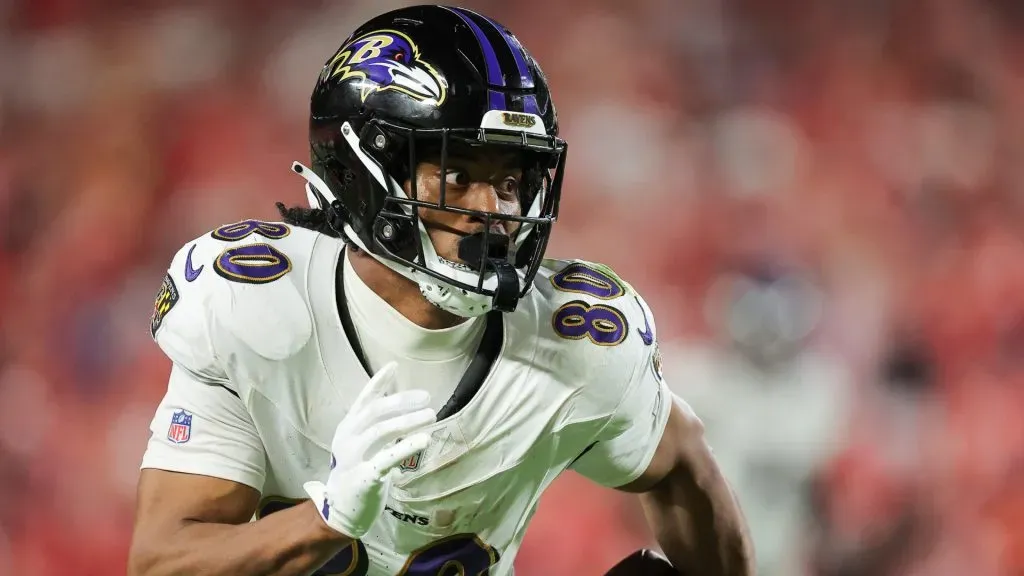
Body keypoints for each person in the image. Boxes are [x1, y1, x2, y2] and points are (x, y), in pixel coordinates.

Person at [127, 5, 753, 576]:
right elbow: (163, 563)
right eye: (457, 175)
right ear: (361, 175)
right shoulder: (256, 306)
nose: (495, 210)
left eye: (510, 181)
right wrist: (325, 519)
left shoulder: (576, 338)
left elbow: (681, 464)